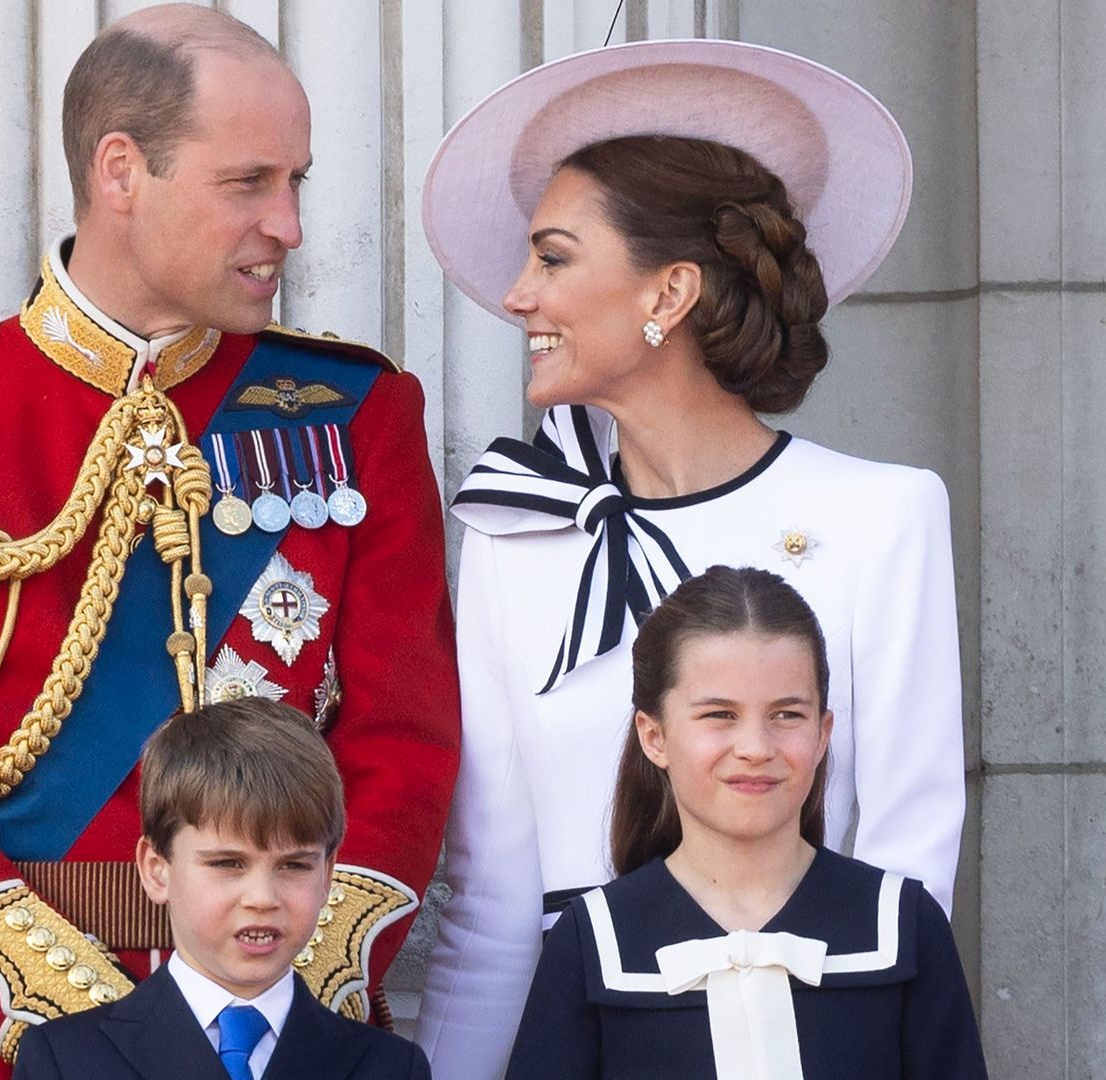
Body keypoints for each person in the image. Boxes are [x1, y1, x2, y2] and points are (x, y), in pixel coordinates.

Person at [0, 5, 459, 1077]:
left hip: (284, 1028)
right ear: (119, 172)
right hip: (8, 1036)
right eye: (249, 182)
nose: (288, 223)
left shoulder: (353, 412)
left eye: (298, 182)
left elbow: (404, 748)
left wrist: (280, 994)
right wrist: (98, 1032)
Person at [414, 39, 966, 1079]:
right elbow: (489, 907)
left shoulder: (883, 517)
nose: (518, 294)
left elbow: (907, 874)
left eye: (555, 257)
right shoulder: (512, 533)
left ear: (667, 292)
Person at [504, 566, 986, 1078]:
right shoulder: (592, 940)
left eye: (787, 715)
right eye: (719, 715)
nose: (755, 748)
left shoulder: (903, 925)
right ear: (655, 736)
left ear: (824, 733)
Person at [10, 698, 433, 1080]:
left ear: (327, 875)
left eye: (294, 865)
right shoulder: (66, 1061)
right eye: (228, 864)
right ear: (157, 870)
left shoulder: (391, 1067)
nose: (263, 897)